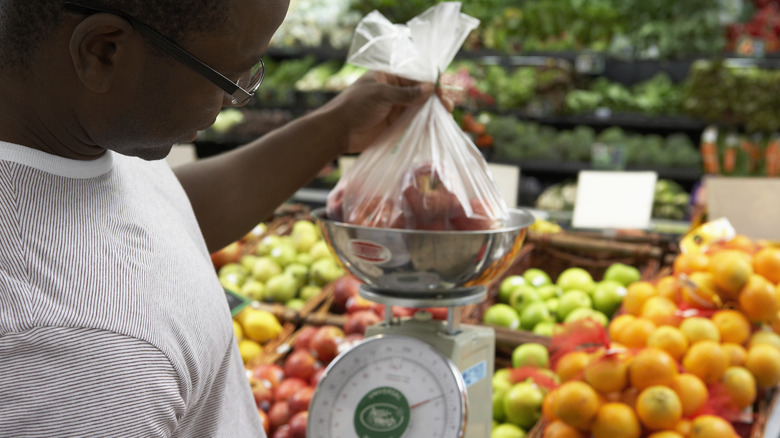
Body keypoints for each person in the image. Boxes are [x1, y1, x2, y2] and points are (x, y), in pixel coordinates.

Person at [0, 0, 441, 436]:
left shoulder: (67, 137)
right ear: (103, 51)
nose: (237, 99)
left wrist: (338, 127)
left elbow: (158, 216)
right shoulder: (81, 362)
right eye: (230, 76)